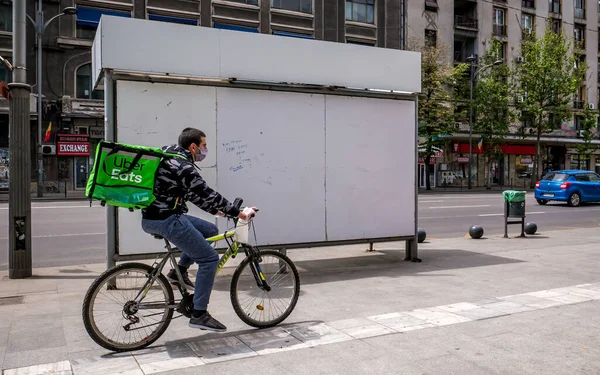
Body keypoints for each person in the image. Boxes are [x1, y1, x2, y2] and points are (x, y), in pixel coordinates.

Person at [140, 127, 257, 332]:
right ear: (193, 146)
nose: (205, 149)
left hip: (157, 216)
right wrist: (239, 214)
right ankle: (199, 314)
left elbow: (194, 196)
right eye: (204, 146)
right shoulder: (183, 166)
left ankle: (180, 272)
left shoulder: (169, 157)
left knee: (210, 230)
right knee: (210, 259)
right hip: (167, 219)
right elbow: (206, 192)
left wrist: (218, 211)